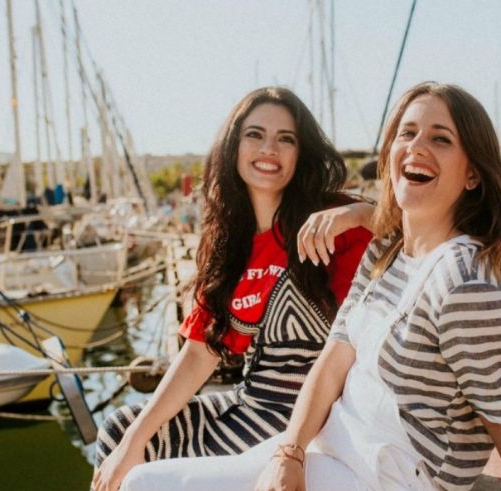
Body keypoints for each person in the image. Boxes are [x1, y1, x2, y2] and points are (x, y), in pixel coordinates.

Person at [118, 82, 501, 491]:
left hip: (391, 474)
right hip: (332, 445)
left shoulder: (467, 285)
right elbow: (332, 362)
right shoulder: (385, 257)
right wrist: (290, 452)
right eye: (407, 133)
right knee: (139, 474)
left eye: (440, 139)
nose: (416, 147)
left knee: (144, 485)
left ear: (473, 175)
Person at [91, 86, 371, 491]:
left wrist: (361, 213)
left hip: (309, 417)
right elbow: (200, 353)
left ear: (300, 153)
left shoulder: (331, 221)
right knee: (122, 430)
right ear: (233, 146)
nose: (269, 148)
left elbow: (419, 233)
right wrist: (134, 442)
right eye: (255, 134)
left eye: (285, 139)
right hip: (250, 403)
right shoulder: (230, 243)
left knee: (154, 475)